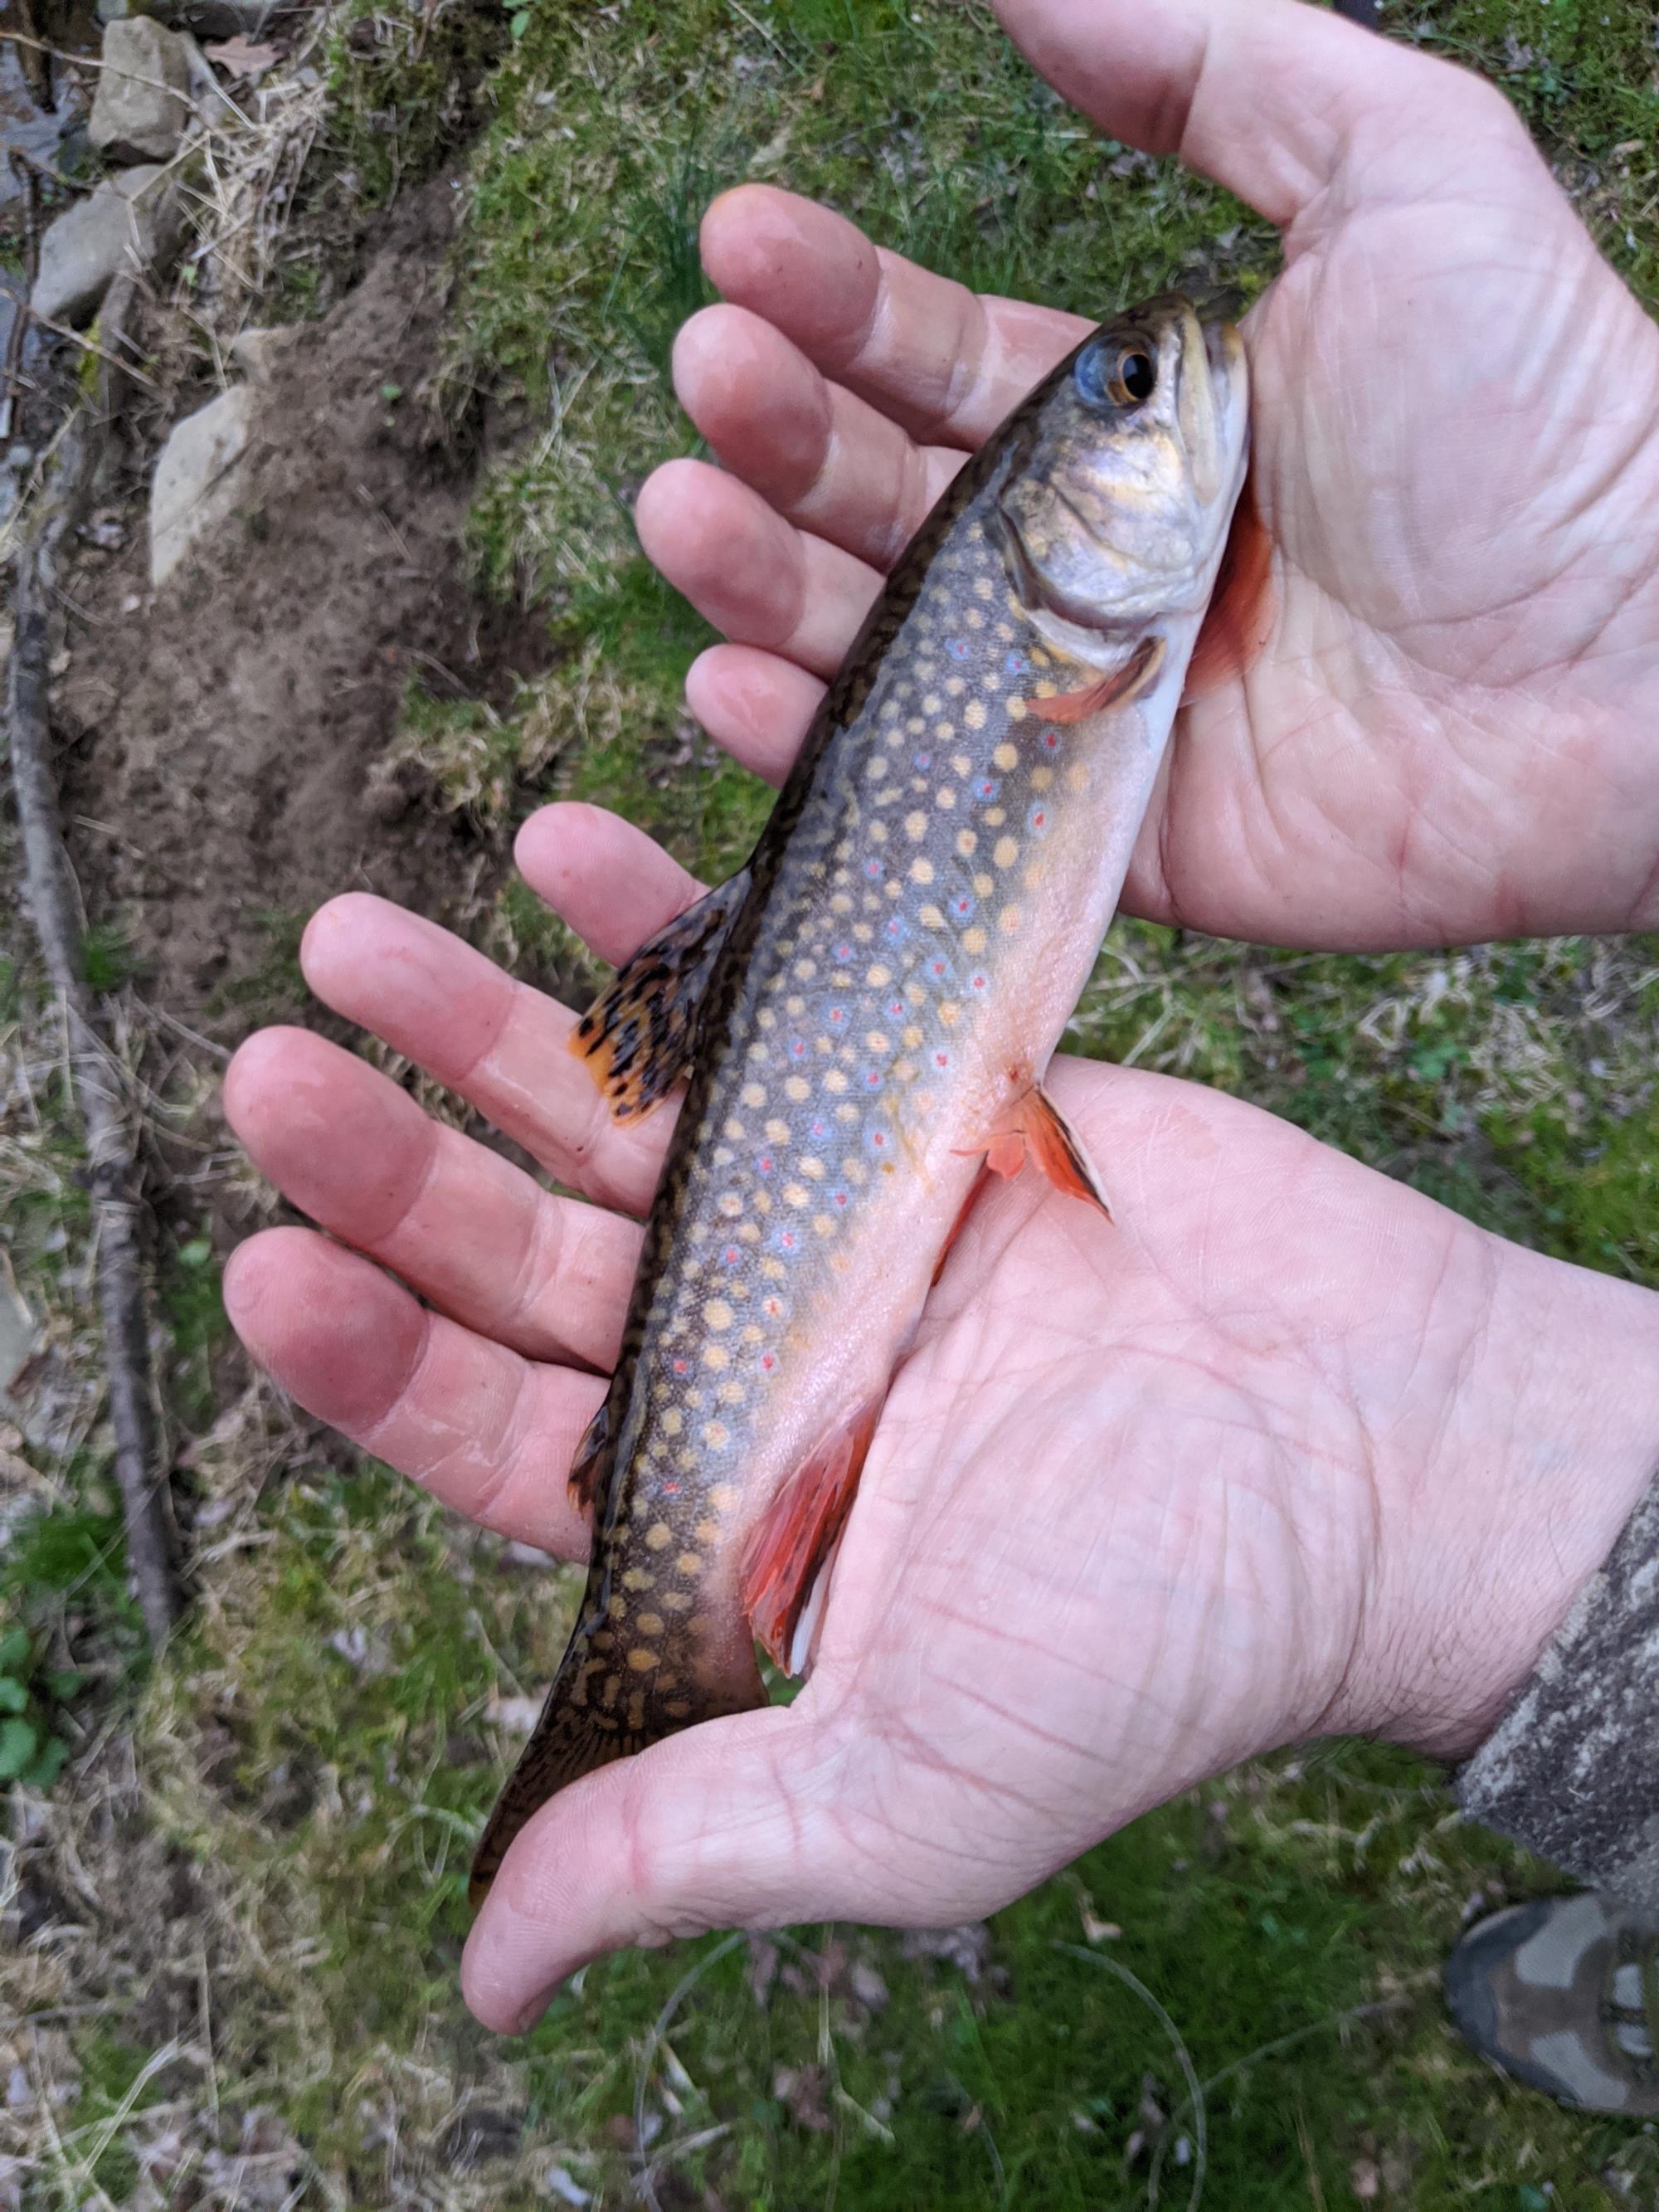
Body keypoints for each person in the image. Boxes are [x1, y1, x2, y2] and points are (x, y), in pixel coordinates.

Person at [218, 0, 1659, 2095]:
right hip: (817, 1183)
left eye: (1132, 387)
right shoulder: (1068, 644)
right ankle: (675, 1641)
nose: (1186, 378)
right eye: (1135, 398)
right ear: (1066, 545)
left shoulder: (1095, 639)